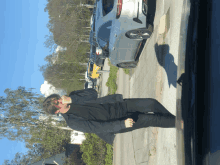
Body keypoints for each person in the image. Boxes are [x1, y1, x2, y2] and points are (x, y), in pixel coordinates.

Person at [43, 88, 176, 145]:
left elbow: (93, 93)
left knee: (151, 103)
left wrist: (72, 98)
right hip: (118, 122)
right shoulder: (72, 122)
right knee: (150, 119)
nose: (61, 100)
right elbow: (97, 128)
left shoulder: (72, 97)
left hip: (118, 105)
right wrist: (121, 124)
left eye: (58, 98)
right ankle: (180, 123)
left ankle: (178, 119)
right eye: (58, 103)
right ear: (56, 111)